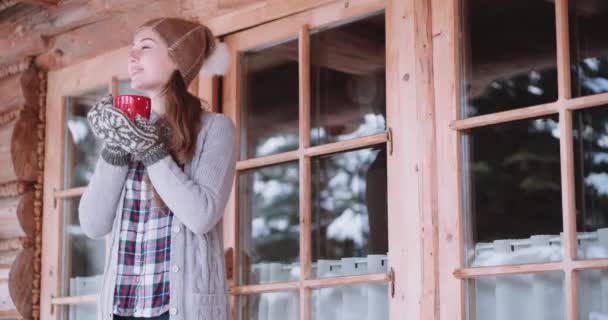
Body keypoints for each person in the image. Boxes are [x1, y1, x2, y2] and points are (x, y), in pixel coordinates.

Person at [78, 17, 235, 320]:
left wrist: (151, 151)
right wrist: (116, 145)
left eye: (145, 47)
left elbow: (201, 216)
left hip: (181, 311)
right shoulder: (128, 129)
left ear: (178, 60)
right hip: (122, 309)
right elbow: (93, 224)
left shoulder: (214, 129)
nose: (132, 56)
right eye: (131, 49)